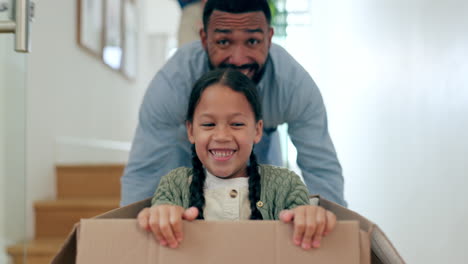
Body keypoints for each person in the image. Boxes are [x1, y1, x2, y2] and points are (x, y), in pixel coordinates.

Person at [121, 0, 346, 207]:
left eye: (252, 41)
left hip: (262, 151)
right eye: (224, 41)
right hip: (187, 154)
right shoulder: (173, 84)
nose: (238, 59)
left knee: (264, 211)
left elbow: (321, 169)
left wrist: (333, 230)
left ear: (269, 38)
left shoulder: (295, 87)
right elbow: (145, 170)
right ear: (204, 39)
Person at [137, 68, 337, 250]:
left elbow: (305, 222)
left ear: (257, 130)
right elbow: (158, 217)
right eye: (208, 124)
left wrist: (310, 217)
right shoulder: (175, 185)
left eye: (237, 124)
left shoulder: (286, 185)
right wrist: (160, 216)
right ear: (191, 131)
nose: (222, 136)